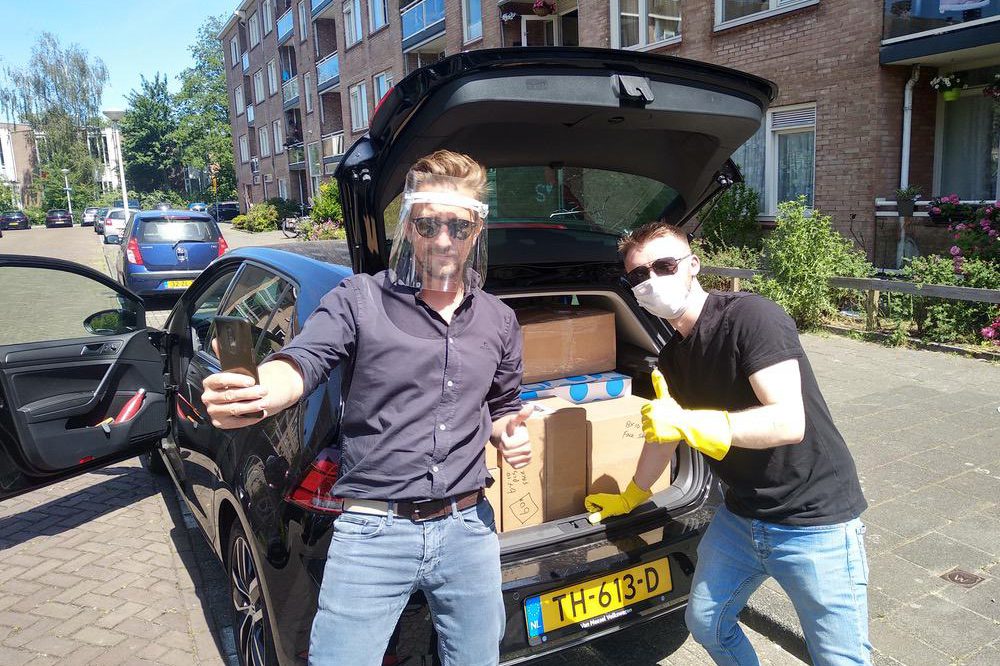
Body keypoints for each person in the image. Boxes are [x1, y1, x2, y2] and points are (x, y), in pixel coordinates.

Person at [200, 150, 532, 666]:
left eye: (458, 227)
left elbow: (504, 402)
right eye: (428, 223)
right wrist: (262, 389)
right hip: (373, 533)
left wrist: (510, 431)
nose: (443, 239)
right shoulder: (359, 299)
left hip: (469, 530)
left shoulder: (500, 320)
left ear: (477, 230)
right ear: (409, 224)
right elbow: (305, 359)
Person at [584, 222, 870, 666]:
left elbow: (787, 421)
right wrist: (633, 495)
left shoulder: (752, 317)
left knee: (840, 658)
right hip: (740, 516)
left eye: (664, 265)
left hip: (814, 520)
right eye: (638, 275)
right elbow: (668, 435)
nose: (651, 280)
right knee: (707, 623)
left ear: (693, 265)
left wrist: (692, 423)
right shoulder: (672, 356)